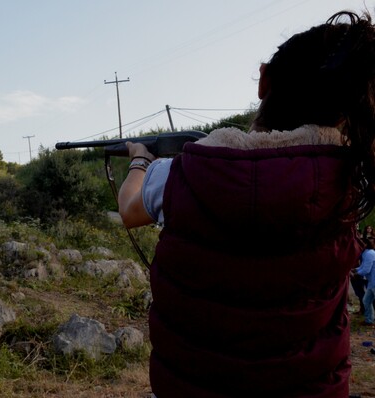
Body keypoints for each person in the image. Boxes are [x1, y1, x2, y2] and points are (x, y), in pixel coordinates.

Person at [118, 10, 375, 397]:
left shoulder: (178, 173)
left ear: (263, 80)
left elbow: (129, 210)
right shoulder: (350, 183)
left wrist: (140, 158)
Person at [353, 238, 375, 326]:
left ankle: (370, 319)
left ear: (365, 244)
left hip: (374, 281)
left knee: (367, 300)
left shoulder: (370, 253)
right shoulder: (365, 253)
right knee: (366, 301)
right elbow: (362, 267)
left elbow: (366, 270)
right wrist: (354, 270)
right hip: (371, 282)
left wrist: (355, 274)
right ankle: (369, 320)